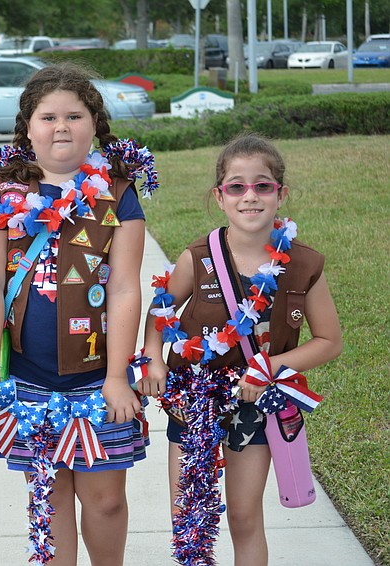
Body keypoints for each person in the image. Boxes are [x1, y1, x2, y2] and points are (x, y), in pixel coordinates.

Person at [0, 63, 154, 565]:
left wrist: (117, 376)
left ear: (95, 124)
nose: (61, 127)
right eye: (48, 117)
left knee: (105, 500)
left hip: (96, 378)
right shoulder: (1, 194)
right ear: (28, 127)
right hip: (28, 380)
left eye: (74, 115)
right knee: (49, 496)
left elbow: (127, 288)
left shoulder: (118, 193)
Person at [140, 133, 342, 565]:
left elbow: (329, 341)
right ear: (220, 196)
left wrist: (270, 366)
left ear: (280, 193)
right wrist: (153, 357)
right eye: (237, 186)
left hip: (255, 401)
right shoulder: (199, 257)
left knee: (245, 518)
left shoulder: (304, 264)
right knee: (186, 514)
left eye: (262, 185)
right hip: (192, 401)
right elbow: (160, 309)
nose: (250, 196)